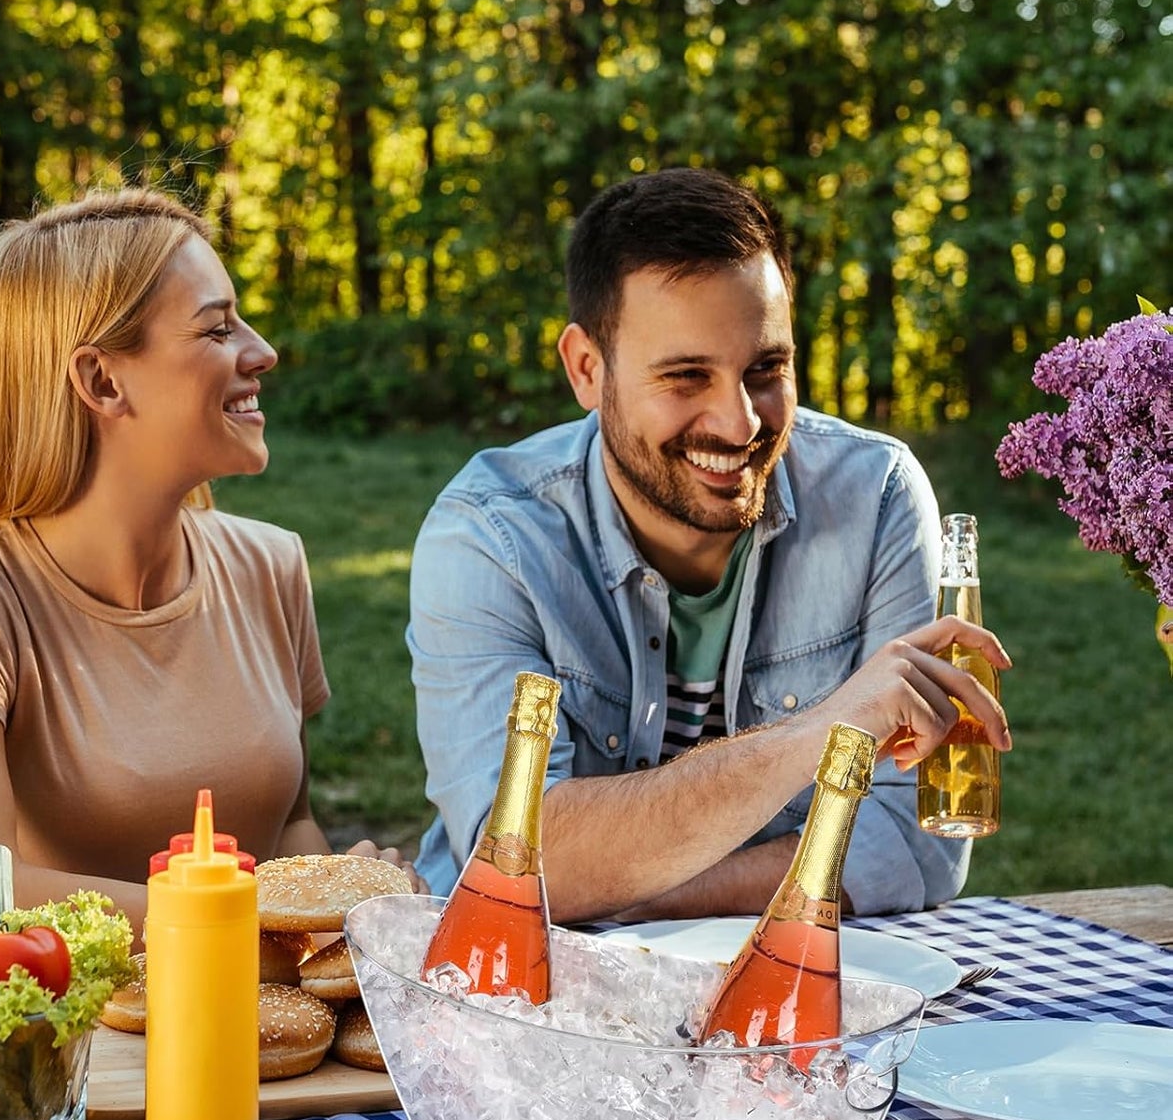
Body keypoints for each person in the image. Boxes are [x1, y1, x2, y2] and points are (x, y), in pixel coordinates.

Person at [408, 166, 1011, 923]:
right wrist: (814, 735)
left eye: (766, 370)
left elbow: (909, 843)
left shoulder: (875, 496)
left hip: (796, 989)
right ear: (586, 368)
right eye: (686, 376)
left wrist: (617, 893)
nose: (740, 424)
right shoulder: (491, 534)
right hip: (517, 992)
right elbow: (520, 855)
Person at [0, 187, 414, 941]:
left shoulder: (271, 563)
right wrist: (236, 911)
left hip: (253, 1030)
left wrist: (338, 904)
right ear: (102, 380)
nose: (261, 351)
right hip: (71, 1043)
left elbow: (291, 825)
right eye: (216, 328)